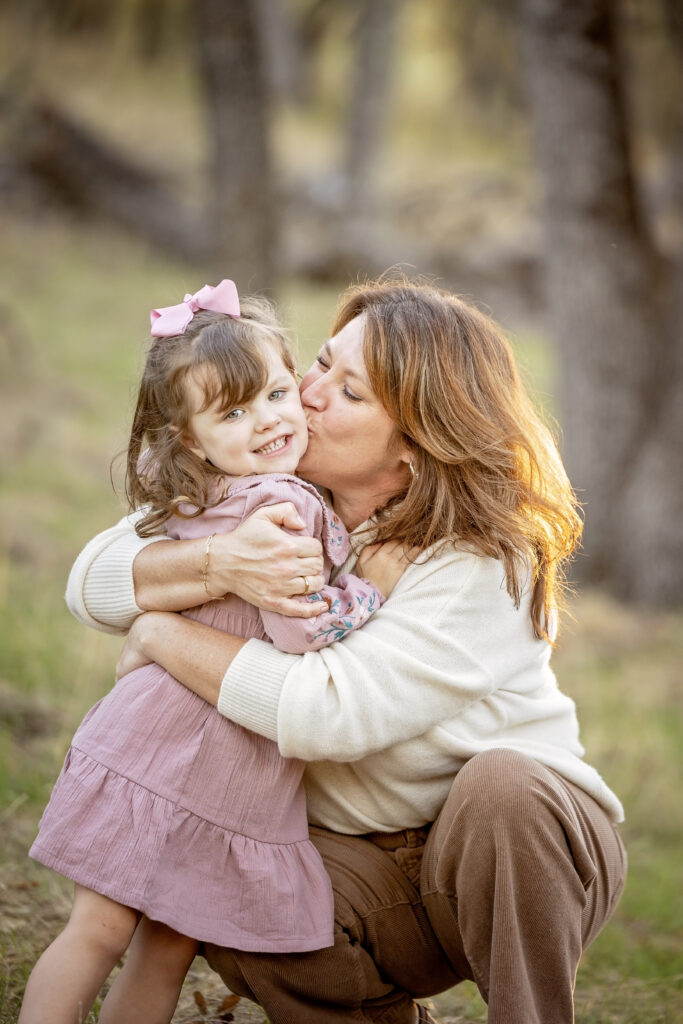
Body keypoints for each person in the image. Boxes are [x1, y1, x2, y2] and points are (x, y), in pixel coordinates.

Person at [64, 278, 627, 1024]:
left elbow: (329, 712)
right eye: (321, 362)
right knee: (239, 897)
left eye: (349, 391)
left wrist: (160, 632)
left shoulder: (483, 558)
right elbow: (92, 580)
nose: (306, 393)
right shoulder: (274, 481)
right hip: (367, 858)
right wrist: (218, 563)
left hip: (516, 853)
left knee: (502, 788)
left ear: (419, 436)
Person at [20, 281, 387, 1024]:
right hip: (192, 757)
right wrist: (362, 602)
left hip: (182, 754)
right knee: (138, 940)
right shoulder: (287, 506)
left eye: (278, 394)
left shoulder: (195, 492)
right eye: (234, 412)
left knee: (107, 932)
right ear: (192, 437)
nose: (268, 422)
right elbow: (297, 630)